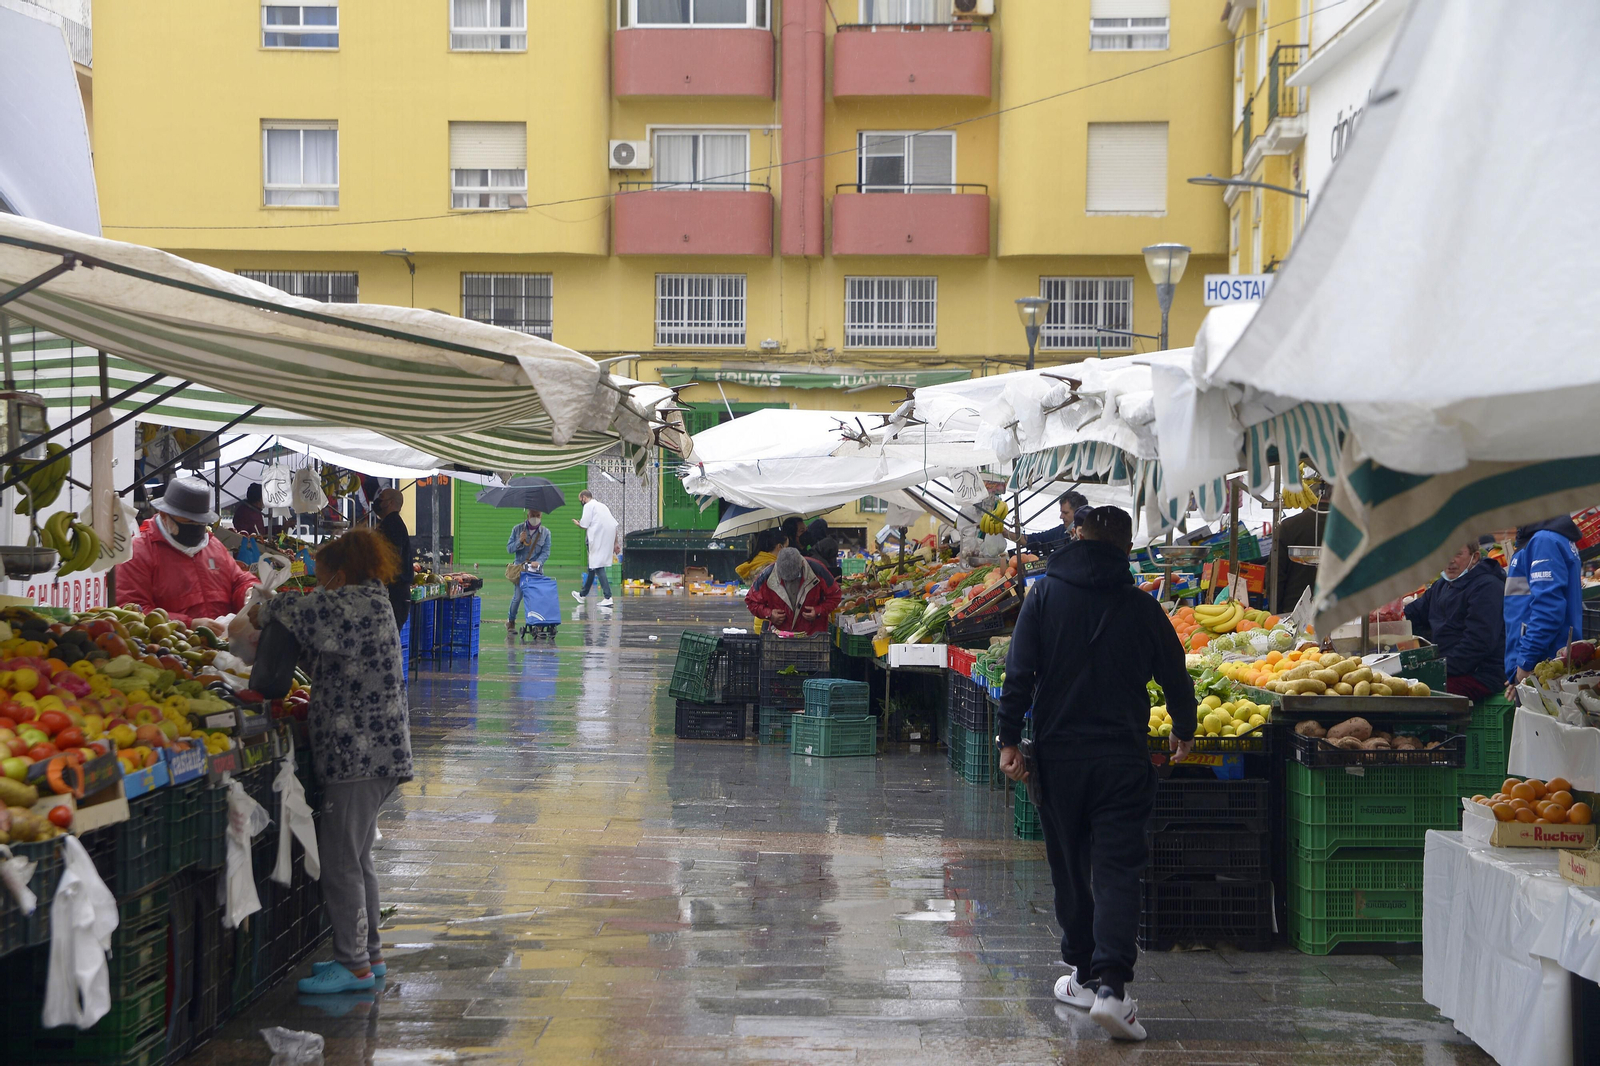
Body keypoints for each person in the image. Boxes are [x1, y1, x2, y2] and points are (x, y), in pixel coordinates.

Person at [996, 505, 1196, 1042]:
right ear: (1125, 547)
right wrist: (1184, 727)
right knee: (1115, 868)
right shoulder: (1140, 606)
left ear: (1075, 535)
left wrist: (1008, 739)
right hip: (1121, 759)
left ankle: (1083, 976)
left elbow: (1019, 674)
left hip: (1058, 759)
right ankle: (1112, 987)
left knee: (1068, 867)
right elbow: (1176, 673)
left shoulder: (1043, 596)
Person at [256, 527, 412, 995]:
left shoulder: (353, 605)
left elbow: (290, 609)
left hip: (359, 755)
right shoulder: (373, 600)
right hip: (375, 754)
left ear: (340, 575)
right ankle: (370, 956)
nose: (320, 585)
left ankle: (353, 966)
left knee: (342, 861)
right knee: (358, 858)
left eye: (323, 577)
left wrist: (262, 603)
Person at [116, 476, 259, 628]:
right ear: (164, 515)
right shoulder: (138, 552)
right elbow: (132, 610)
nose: (195, 527)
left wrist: (249, 592)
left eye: (200, 522)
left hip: (222, 645)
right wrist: (188, 624)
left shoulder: (213, 545)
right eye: (189, 521)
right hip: (171, 648)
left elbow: (238, 580)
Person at [1403, 541, 1505, 700]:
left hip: (1480, 673)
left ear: (1475, 557)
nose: (1450, 560)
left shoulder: (1487, 587)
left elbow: (1478, 643)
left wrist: (1437, 668)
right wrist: (1387, 618)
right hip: (1447, 667)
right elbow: (1414, 613)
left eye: (1457, 553)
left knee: (1419, 697)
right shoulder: (1442, 585)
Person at [1505, 514, 1584, 689]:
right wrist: (1516, 669)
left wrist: (1525, 661)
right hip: (1538, 665)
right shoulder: (1543, 538)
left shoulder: (1543, 540)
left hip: (1543, 668)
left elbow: (1548, 610)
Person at [744, 546, 841, 636]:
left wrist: (818, 611)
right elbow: (751, 601)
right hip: (780, 635)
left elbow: (835, 596)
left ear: (802, 564)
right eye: (786, 580)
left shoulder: (818, 570)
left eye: (795, 578)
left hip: (813, 635)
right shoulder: (767, 575)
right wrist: (769, 614)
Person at [1274, 481, 1331, 612]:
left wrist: (1275, 612)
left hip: (1294, 611)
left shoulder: (1289, 526)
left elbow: (1276, 576)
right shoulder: (1351, 527)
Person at [507, 509, 552, 632]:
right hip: (520, 570)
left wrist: (539, 562)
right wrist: (519, 541)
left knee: (536, 598)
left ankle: (537, 622)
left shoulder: (545, 533)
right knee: (517, 597)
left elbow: (546, 551)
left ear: (541, 516)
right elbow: (509, 549)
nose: (535, 518)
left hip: (536, 571)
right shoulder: (517, 529)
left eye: (538, 516)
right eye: (533, 515)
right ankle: (511, 621)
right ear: (528, 515)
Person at [373, 487, 412, 629]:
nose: (377, 501)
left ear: (389, 503)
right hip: (396, 591)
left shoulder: (392, 525)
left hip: (395, 594)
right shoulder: (391, 522)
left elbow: (391, 558)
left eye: (381, 498)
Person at [571, 490, 618, 608]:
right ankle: (582, 595)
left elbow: (584, 525)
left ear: (584, 497)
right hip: (607, 538)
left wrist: (578, 523)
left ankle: (608, 597)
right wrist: (616, 542)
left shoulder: (588, 506)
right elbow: (614, 524)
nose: (580, 502)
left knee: (597, 566)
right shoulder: (602, 506)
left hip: (598, 539)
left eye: (580, 500)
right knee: (592, 567)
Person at [1019, 490, 1088, 555]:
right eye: (1061, 512)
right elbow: (1034, 540)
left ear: (1078, 513)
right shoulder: (1061, 531)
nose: (1061, 516)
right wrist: (1008, 534)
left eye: (1065, 513)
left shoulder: (1091, 533)